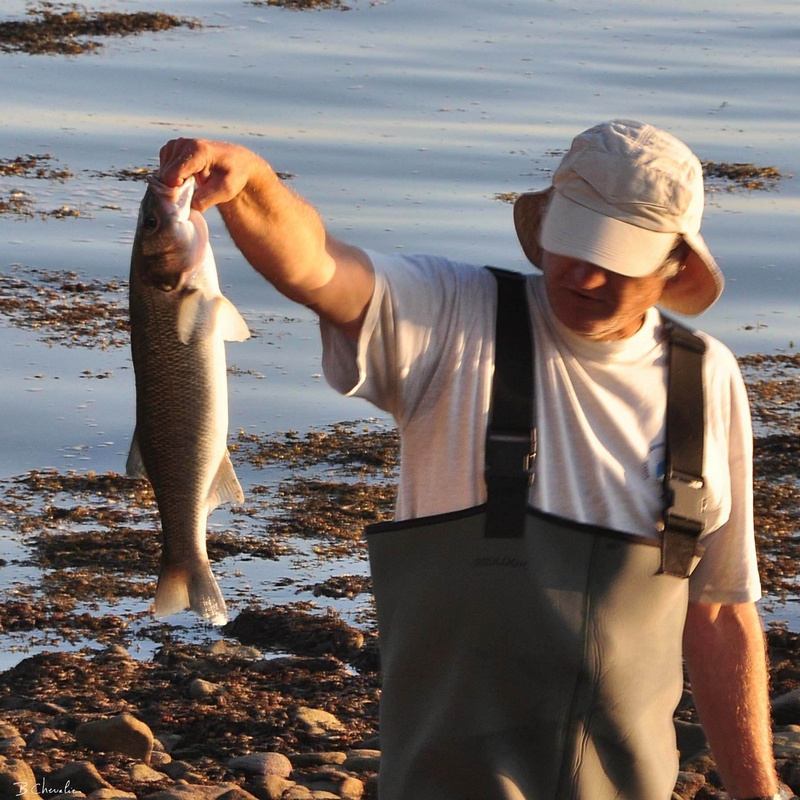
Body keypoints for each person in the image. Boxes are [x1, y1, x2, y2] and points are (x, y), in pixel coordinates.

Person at [158, 119, 785, 799]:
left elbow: (721, 612)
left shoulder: (705, 378)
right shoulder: (455, 318)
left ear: (674, 265)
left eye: (616, 254)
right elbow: (316, 267)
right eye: (572, 242)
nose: (583, 271)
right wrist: (254, 183)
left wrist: (762, 792)